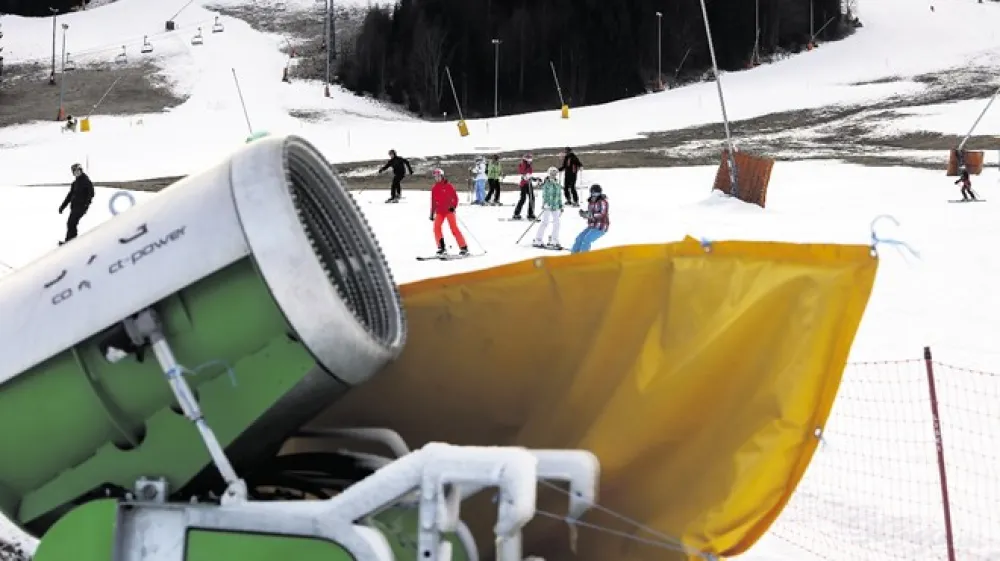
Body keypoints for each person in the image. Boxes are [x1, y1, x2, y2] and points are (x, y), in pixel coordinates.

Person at [429, 168, 469, 256]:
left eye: (439, 176)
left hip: (449, 210)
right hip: (440, 211)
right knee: (436, 228)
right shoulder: (434, 188)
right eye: (435, 177)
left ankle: (463, 247)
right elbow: (433, 202)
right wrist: (432, 213)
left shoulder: (448, 186)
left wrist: (453, 207)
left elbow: (455, 198)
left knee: (454, 228)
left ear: (442, 176)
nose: (437, 178)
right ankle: (441, 247)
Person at [58, 163, 95, 245]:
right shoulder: (75, 183)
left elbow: (91, 194)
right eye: (75, 171)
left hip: (81, 207)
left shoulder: (86, 181)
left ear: (81, 171)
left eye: (78, 171)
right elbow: (69, 196)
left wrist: (86, 205)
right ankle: (71, 241)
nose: (76, 173)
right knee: (71, 223)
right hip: (74, 207)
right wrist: (62, 207)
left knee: (71, 223)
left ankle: (70, 242)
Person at [571, 184, 609, 254]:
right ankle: (573, 257)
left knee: (586, 240)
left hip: (601, 227)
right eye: (593, 193)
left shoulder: (603, 202)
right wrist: (584, 214)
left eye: (597, 193)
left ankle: (584, 259)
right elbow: (590, 213)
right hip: (592, 226)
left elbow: (602, 214)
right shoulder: (591, 202)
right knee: (579, 239)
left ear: (600, 193)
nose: (594, 195)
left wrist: (590, 215)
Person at [533, 167, 564, 248]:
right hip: (548, 205)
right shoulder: (546, 183)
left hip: (556, 206)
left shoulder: (558, 183)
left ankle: (554, 240)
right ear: (549, 174)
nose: (553, 175)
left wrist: (561, 205)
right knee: (545, 222)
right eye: (552, 173)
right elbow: (545, 194)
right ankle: (538, 239)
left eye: (555, 173)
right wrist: (546, 203)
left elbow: (559, 195)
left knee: (557, 223)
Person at [512, 153, 536, 221]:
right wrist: (527, 176)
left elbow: (529, 175)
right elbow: (522, 172)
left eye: (531, 158)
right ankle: (516, 213)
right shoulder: (523, 164)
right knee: (523, 198)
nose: (530, 160)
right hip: (524, 184)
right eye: (529, 158)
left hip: (528, 183)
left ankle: (530, 214)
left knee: (532, 198)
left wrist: (534, 179)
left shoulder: (528, 165)